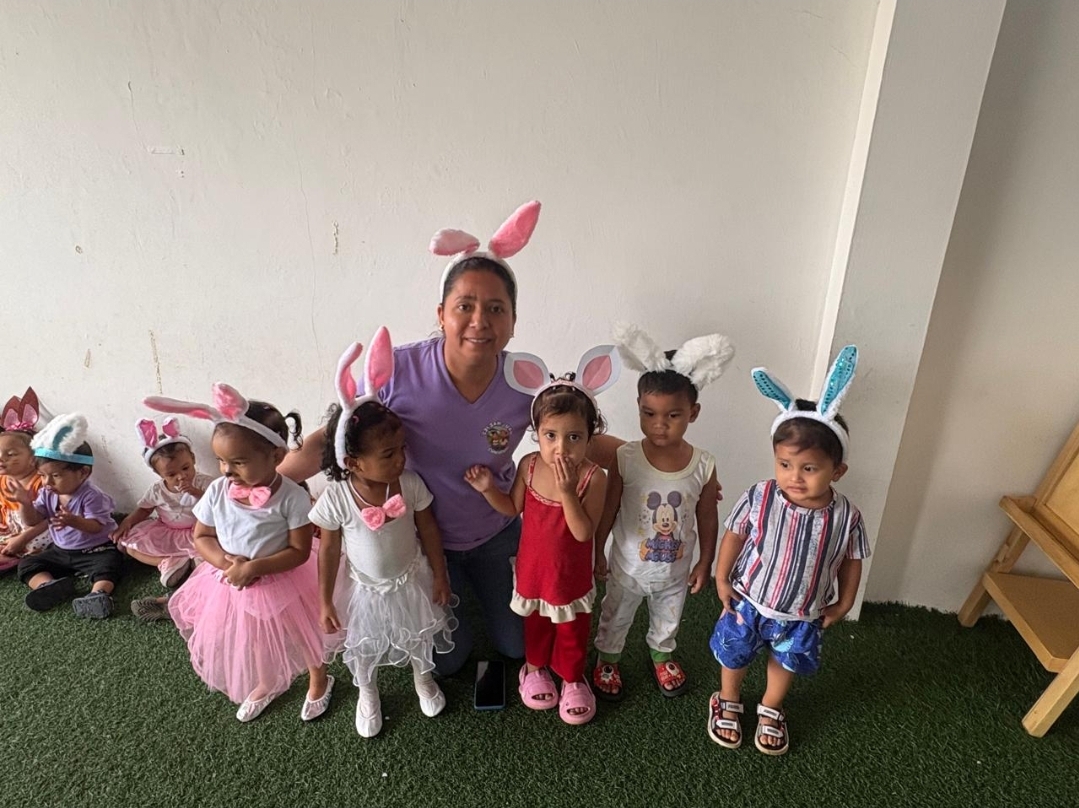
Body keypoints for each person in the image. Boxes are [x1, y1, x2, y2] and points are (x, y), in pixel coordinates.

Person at [280, 201, 597, 677]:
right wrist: (270, 483)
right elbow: (336, 434)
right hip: (422, 541)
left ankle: (486, 594)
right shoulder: (398, 372)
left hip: (496, 533)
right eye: (464, 306)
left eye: (496, 309)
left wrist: (652, 454)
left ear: (513, 321)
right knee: (447, 663)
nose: (480, 321)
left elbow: (577, 432)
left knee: (515, 647)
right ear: (442, 314)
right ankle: (460, 599)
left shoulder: (526, 382)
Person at [708, 345, 870, 756]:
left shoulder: (846, 516)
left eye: (809, 468)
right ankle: (727, 698)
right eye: (784, 464)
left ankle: (770, 707)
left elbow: (851, 560)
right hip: (748, 600)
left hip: (801, 613)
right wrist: (721, 576)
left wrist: (845, 601)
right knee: (735, 653)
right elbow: (735, 535)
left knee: (785, 661)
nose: (794, 477)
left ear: (838, 470)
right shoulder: (760, 496)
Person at [144, 384, 332, 723]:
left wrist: (255, 567)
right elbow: (202, 536)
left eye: (238, 462)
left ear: (276, 457)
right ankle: (268, 682)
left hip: (283, 579)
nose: (227, 470)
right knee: (255, 636)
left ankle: (320, 679)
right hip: (229, 581)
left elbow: (300, 551)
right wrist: (227, 564)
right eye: (221, 461)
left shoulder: (292, 497)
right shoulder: (218, 490)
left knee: (301, 632)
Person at [312, 331, 456, 737]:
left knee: (419, 634)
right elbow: (328, 550)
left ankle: (423, 678)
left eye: (402, 449)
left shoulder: (408, 484)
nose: (400, 459)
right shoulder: (338, 497)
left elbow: (428, 528)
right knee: (364, 645)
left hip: (411, 579)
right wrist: (325, 599)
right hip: (364, 590)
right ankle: (368, 691)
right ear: (353, 462)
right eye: (388, 454)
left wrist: (440, 574)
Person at [466, 347, 618, 724]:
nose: (561, 448)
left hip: (570, 577)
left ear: (590, 436)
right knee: (535, 626)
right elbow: (511, 507)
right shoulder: (529, 465)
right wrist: (488, 489)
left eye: (574, 437)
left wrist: (568, 492)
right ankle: (533, 669)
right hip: (534, 573)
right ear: (537, 434)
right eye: (551, 435)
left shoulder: (593, 478)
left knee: (571, 630)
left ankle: (572, 678)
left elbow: (583, 532)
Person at [592, 326, 733, 701]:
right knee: (615, 613)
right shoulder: (625, 458)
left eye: (673, 415)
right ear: (638, 406)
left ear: (693, 413)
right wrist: (597, 549)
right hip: (626, 566)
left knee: (668, 616)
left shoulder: (703, 464)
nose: (659, 424)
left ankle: (662, 654)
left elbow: (707, 516)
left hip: (676, 569)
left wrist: (706, 561)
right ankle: (608, 658)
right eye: (649, 413)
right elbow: (609, 507)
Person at [8, 413, 121, 618]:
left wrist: (74, 521)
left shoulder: (92, 496)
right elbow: (33, 521)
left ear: (83, 472)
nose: (47, 482)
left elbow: (96, 526)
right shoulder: (48, 493)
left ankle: (97, 595)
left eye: (56, 475)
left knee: (109, 565)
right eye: (42, 476)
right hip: (61, 550)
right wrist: (25, 503)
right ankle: (48, 585)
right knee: (27, 564)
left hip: (95, 550)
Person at [111, 418, 213, 620]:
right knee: (129, 545)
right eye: (171, 474)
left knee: (207, 562)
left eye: (185, 468)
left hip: (198, 531)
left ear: (193, 459)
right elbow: (144, 510)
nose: (181, 476)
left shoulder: (205, 483)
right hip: (167, 531)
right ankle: (166, 562)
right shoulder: (157, 490)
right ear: (158, 473)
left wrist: (196, 492)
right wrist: (127, 522)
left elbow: (217, 505)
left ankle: (190, 571)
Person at [0, 388, 51, 568]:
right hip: (9, 530)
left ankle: (16, 555)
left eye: (10, 454)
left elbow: (50, 520)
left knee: (40, 540)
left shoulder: (41, 482)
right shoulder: (3, 480)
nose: (1, 458)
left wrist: (21, 539)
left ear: (32, 459)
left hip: (34, 531)